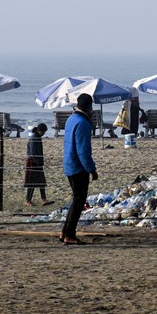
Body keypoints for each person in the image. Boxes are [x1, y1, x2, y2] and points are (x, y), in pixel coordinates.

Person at [62, 93, 98, 245]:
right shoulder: (83, 123)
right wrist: (92, 170)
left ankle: (65, 233)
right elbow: (83, 151)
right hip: (78, 167)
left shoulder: (71, 119)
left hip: (69, 163)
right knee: (78, 201)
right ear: (89, 107)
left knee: (76, 200)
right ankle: (69, 234)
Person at [24, 122, 53, 207]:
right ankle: (28, 200)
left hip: (37, 162)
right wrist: (38, 162)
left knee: (41, 182)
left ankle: (44, 199)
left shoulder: (37, 137)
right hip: (33, 162)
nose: (44, 134)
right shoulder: (34, 138)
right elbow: (33, 153)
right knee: (31, 182)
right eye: (43, 132)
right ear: (40, 130)